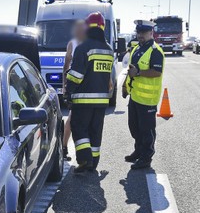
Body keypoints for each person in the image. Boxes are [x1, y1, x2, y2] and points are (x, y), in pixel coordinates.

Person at [65, 12, 113, 173]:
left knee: (79, 128)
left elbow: (76, 75)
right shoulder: (108, 49)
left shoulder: (83, 47)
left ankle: (85, 161)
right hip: (101, 101)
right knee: (95, 131)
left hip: (83, 99)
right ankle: (93, 161)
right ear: (102, 28)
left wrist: (68, 92)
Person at [123, 22, 164, 170]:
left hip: (147, 99)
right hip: (134, 96)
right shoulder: (137, 49)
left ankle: (146, 157)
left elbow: (157, 71)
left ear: (151, 33)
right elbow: (131, 70)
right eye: (138, 32)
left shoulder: (155, 51)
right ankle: (138, 150)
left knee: (147, 130)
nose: (140, 35)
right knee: (134, 127)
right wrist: (124, 86)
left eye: (144, 32)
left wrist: (139, 73)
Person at [62, 20, 87, 161]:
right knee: (72, 120)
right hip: (76, 87)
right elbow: (66, 66)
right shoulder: (73, 43)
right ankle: (64, 147)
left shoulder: (91, 43)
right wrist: (65, 86)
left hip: (87, 87)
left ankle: (82, 152)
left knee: (80, 120)